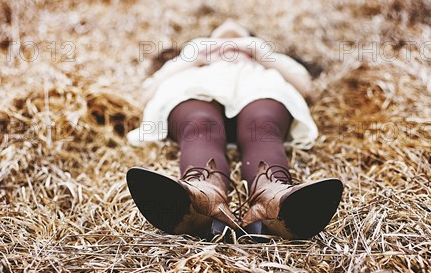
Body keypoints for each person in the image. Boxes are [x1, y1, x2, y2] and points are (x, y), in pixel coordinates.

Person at [126, 19, 343, 241]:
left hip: (257, 91)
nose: (230, 28)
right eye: (220, 37)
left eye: (240, 36)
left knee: (262, 126)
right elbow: (148, 91)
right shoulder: (195, 58)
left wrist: (258, 51)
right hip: (197, 91)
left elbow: (304, 86)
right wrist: (193, 56)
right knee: (200, 124)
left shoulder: (261, 57)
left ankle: (273, 197)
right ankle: (204, 194)